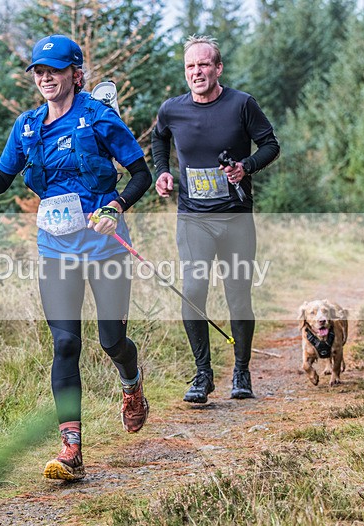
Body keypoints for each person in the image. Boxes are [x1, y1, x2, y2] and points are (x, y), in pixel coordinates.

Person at [0, 35, 152, 481]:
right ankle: (72, 449)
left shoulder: (99, 118)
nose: (45, 78)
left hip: (104, 245)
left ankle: (131, 381)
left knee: (110, 341)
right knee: (65, 343)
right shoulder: (27, 127)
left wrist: (115, 206)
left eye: (54, 70)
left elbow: (140, 173)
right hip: (55, 247)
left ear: (75, 74)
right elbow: (2, 180)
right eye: (39, 72)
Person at [151, 35, 279, 404]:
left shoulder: (242, 104)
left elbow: (271, 144)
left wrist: (246, 166)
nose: (197, 72)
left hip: (236, 218)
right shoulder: (172, 109)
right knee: (193, 292)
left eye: (204, 65)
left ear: (218, 68)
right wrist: (162, 171)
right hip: (194, 218)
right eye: (191, 66)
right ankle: (203, 374)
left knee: (238, 295)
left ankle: (241, 371)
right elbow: (160, 139)